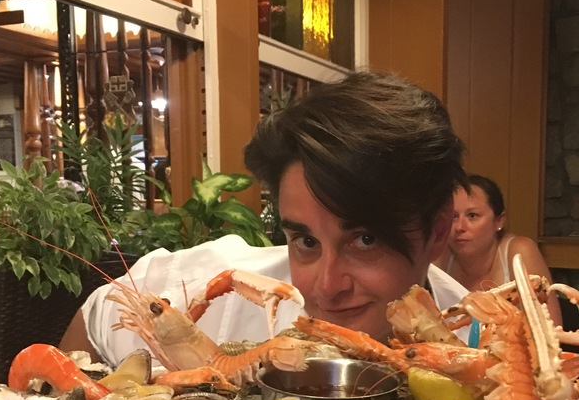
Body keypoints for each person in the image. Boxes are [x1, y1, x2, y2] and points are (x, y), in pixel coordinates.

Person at [60, 71, 471, 367]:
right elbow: (98, 313)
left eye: (365, 240)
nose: (327, 287)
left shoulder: (475, 344)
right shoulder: (212, 289)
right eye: (306, 243)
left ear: (436, 232)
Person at [438, 174, 562, 326]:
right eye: (453, 216)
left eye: (472, 216)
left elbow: (550, 328)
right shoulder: (439, 254)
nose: (459, 227)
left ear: (499, 221)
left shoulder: (519, 251)